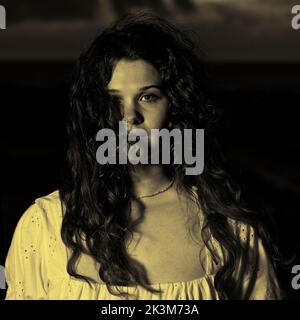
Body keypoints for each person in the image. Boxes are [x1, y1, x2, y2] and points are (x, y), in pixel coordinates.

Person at [5, 12, 283, 300]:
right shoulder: (45, 224)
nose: (129, 117)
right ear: (93, 114)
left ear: (176, 107)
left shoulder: (229, 229)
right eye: (113, 100)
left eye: (148, 96)